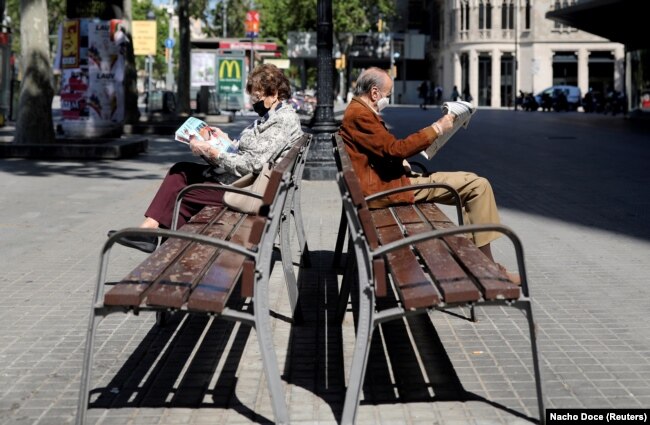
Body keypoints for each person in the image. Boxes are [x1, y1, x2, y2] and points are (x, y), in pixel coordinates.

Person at [338, 67, 520, 284]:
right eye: (387, 95)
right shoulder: (360, 115)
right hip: (387, 190)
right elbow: (395, 149)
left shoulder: (357, 111)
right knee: (477, 185)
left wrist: (399, 159)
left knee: (471, 180)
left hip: (387, 182)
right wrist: (437, 128)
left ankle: (482, 264)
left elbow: (384, 150)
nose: (387, 99)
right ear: (374, 93)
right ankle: (487, 269)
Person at [109, 63, 304, 253]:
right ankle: (151, 234)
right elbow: (254, 152)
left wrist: (213, 152)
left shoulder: (282, 120)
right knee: (180, 172)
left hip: (247, 191)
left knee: (182, 195)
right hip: (242, 181)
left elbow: (251, 164)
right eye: (253, 96)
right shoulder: (273, 115)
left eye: (258, 96)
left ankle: (167, 251)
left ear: (275, 93)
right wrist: (225, 141)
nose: (254, 101)